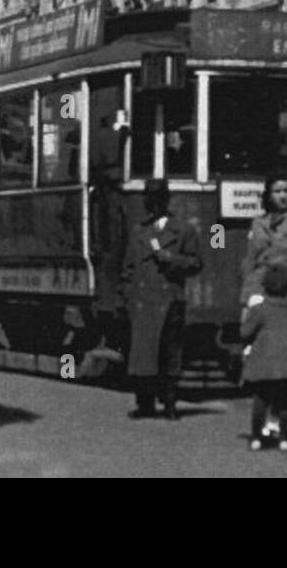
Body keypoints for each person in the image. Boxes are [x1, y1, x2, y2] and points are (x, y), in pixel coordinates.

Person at [119, 177, 203, 420]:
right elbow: (128, 267)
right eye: (148, 197)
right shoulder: (139, 231)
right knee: (143, 355)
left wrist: (171, 259)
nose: (151, 202)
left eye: (157, 197)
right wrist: (126, 297)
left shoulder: (184, 230)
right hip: (142, 300)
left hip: (170, 300)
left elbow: (196, 263)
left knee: (169, 354)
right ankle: (144, 403)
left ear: (166, 200)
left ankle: (170, 403)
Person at [241, 262, 287, 451]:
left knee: (261, 400)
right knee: (285, 401)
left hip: (264, 362)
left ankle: (256, 438)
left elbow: (245, 332)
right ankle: (284, 438)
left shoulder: (260, 309)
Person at [240, 171, 287, 308]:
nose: (282, 196)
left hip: (285, 292)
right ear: (269, 195)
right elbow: (250, 260)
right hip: (257, 292)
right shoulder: (258, 222)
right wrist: (247, 295)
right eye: (277, 191)